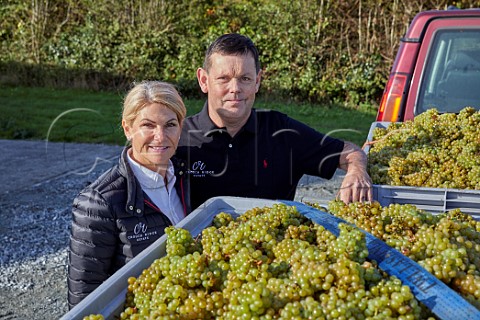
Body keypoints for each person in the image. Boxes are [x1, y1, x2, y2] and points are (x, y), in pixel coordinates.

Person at [176, 33, 372, 209]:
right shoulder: (177, 138)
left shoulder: (283, 131)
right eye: (224, 78)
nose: (235, 88)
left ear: (258, 81)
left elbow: (350, 152)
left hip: (275, 246)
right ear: (203, 80)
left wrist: (357, 170)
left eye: (245, 78)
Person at [67, 80, 190, 308]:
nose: (160, 136)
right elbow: (84, 299)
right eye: (148, 125)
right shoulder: (98, 202)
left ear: (181, 127)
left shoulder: (186, 178)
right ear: (127, 128)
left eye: (170, 125)